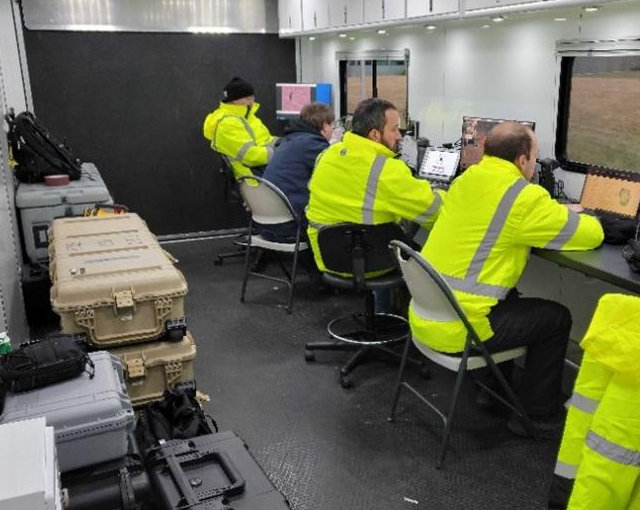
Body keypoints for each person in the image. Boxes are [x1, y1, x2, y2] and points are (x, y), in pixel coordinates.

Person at [409, 122, 603, 437]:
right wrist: (585, 216)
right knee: (555, 318)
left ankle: (490, 391)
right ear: (523, 161)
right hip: (462, 329)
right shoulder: (522, 196)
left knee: (507, 296)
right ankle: (538, 416)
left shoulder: (465, 180)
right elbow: (589, 235)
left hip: (427, 315)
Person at [307, 98, 445, 306]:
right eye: (395, 129)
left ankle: (382, 311)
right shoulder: (386, 169)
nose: (399, 136)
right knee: (422, 227)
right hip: (375, 262)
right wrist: (439, 191)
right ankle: (414, 312)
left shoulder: (326, 154)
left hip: (328, 256)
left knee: (388, 225)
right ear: (374, 134)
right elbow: (435, 211)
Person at [257, 102, 335, 243]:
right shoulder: (313, 145)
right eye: (332, 126)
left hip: (264, 223)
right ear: (324, 126)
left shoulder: (289, 140)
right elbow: (335, 176)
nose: (333, 131)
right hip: (288, 228)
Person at [202, 76, 275, 179]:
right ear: (234, 100)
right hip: (254, 179)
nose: (252, 101)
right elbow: (250, 157)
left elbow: (266, 140)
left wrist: (286, 143)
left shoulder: (248, 116)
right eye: (247, 98)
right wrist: (279, 153)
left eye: (252, 97)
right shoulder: (227, 124)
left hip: (266, 170)